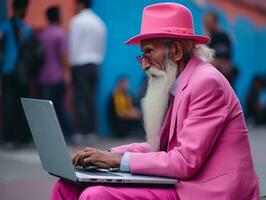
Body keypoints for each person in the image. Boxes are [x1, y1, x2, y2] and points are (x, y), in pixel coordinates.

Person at [51, 3, 259, 199]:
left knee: (95, 195)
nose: (144, 65)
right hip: (184, 182)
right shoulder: (179, 82)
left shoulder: (206, 83)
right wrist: (108, 154)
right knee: (66, 186)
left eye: (148, 52)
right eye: (143, 55)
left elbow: (184, 161)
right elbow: (159, 148)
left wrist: (117, 161)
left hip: (207, 191)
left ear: (176, 50)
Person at [68, 0, 106, 135]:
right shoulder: (99, 22)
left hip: (80, 65)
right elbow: (102, 47)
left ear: (80, 4)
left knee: (80, 100)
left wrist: (70, 66)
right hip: (95, 65)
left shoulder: (76, 21)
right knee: (91, 99)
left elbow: (74, 46)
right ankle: (92, 131)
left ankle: (82, 132)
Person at [38, 6, 74, 143]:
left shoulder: (42, 34)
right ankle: (69, 134)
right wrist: (67, 74)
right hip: (57, 76)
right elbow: (64, 56)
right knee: (59, 107)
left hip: (43, 76)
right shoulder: (60, 33)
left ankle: (49, 136)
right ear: (57, 16)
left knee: (48, 109)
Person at [0, 0, 32, 146]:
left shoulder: (5, 26)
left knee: (9, 104)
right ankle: (22, 137)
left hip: (8, 71)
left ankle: (10, 138)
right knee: (23, 106)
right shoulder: (27, 29)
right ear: (22, 8)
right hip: (23, 73)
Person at [204, 11, 238, 89]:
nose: (206, 25)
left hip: (223, 80)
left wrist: (211, 62)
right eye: (205, 22)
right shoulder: (208, 39)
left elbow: (225, 62)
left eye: (207, 22)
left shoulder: (222, 37)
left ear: (214, 22)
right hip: (213, 81)